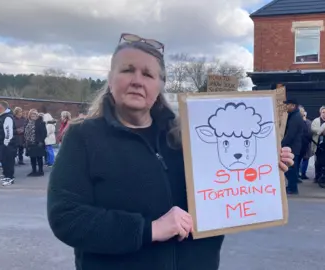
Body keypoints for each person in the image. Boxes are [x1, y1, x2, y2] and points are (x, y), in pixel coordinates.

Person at [46, 33, 295, 270]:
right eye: (127, 70)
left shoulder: (185, 136)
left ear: (160, 85)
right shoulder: (83, 137)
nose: (137, 80)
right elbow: (67, 217)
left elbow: (222, 192)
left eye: (148, 74)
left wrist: (263, 165)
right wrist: (150, 229)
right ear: (111, 79)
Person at [282, 99, 304, 194]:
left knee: (291, 168)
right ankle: (291, 186)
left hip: (292, 147)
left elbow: (291, 134)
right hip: (293, 146)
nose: (286, 106)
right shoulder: (294, 116)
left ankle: (292, 188)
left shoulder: (295, 117)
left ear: (293, 106)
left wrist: (282, 144)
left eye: (287, 105)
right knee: (291, 168)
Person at [0, 101, 16, 186]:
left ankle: (10, 178)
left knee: (8, 161)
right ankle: (6, 176)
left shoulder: (7, 117)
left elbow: (9, 132)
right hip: (1, 143)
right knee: (4, 161)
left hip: (7, 144)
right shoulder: (1, 116)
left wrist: (6, 143)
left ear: (1, 107)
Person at [311, 106, 325, 182]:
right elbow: (313, 129)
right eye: (323, 112)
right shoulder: (316, 121)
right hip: (318, 144)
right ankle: (317, 176)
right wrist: (322, 130)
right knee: (318, 162)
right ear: (320, 113)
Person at [25, 110, 47, 176]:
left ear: (37, 116)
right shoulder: (28, 123)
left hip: (38, 143)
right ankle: (33, 171)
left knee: (39, 157)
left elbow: (44, 133)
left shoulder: (41, 123)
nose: (33, 116)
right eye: (32, 115)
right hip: (30, 143)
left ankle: (40, 171)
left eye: (34, 115)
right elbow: (26, 133)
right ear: (29, 116)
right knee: (32, 158)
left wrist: (41, 141)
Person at [299, 108, 312, 180]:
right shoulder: (308, 122)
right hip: (305, 143)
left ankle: (301, 173)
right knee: (304, 159)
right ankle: (302, 173)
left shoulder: (308, 122)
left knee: (304, 159)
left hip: (305, 143)